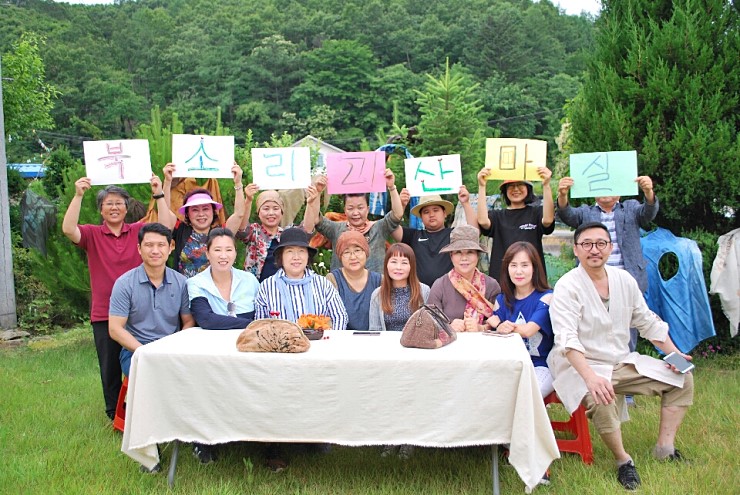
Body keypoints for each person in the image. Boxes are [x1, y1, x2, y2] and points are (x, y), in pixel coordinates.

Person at [547, 222, 693, 491]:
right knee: (601, 396)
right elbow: (567, 340)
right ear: (576, 249)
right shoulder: (567, 286)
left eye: (601, 243)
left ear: (610, 247)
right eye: (587, 244)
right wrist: (591, 378)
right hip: (579, 365)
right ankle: (623, 461)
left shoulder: (624, 280)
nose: (594, 249)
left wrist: (675, 355)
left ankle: (665, 448)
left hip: (620, 361)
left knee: (683, 377)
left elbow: (647, 322)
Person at [62, 174, 169, 421]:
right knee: (109, 366)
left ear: (126, 207)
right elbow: (68, 229)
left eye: (119, 203)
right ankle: (114, 412)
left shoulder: (138, 231)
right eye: (108, 203)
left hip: (140, 312)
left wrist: (158, 192)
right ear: (101, 209)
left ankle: (148, 408)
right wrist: (78, 195)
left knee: (144, 360)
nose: (114, 207)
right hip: (104, 312)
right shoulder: (92, 234)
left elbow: (165, 227)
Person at [108, 222, 195, 471]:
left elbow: (188, 322)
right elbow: (115, 329)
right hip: (136, 351)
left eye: (160, 245)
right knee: (146, 380)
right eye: (149, 245)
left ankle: (195, 436)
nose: (155, 250)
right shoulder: (125, 283)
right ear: (139, 248)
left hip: (171, 349)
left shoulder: (181, 282)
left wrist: (174, 347)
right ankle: (148, 449)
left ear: (171, 247)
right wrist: (144, 352)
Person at [556, 175, 659, 353]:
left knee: (628, 327)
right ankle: (593, 360)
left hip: (627, 279)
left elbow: (648, 212)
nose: (605, 191)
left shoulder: (630, 208)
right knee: (591, 325)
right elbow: (567, 214)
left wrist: (648, 192)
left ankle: (626, 360)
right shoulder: (586, 212)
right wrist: (563, 195)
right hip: (592, 281)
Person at [303, 170, 404, 273]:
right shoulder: (336, 229)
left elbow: (397, 215)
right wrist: (318, 193)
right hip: (341, 283)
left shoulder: (379, 228)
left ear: (368, 209)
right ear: (345, 210)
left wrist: (392, 187)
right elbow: (316, 219)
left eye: (360, 208)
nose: (355, 213)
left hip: (376, 283)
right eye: (350, 208)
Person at [488, 241, 555, 398]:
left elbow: (528, 330)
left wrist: (500, 325)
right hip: (509, 365)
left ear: (534, 268)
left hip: (540, 366)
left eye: (525, 265)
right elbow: (492, 332)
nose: (519, 271)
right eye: (513, 265)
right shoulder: (501, 300)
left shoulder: (546, 297)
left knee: (526, 397)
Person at [157, 162, 246, 277]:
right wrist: (167, 182)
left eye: (205, 209)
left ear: (213, 211)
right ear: (187, 213)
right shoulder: (181, 230)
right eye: (195, 210)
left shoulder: (220, 233)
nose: (201, 214)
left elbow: (239, 214)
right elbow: (164, 211)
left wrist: (238, 183)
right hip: (184, 287)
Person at [467, 166, 555, 281]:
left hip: (532, 279)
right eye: (511, 186)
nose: (516, 189)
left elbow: (548, 220)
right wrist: (482, 186)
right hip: (502, 279)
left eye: (520, 185)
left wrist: (546, 185)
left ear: (528, 188)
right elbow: (483, 221)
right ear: (505, 191)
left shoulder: (536, 213)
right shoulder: (497, 216)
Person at [254, 227, 348, 329]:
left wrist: (332, 337)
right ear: (281, 256)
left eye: (301, 251)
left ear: (308, 256)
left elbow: (340, 316)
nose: (296, 257)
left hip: (318, 339)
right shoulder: (267, 287)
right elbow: (260, 324)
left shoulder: (323, 284)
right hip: (280, 339)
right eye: (290, 251)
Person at [427, 225, 501, 332]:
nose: (464, 258)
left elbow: (500, 322)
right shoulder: (440, 285)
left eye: (470, 252)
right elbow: (430, 322)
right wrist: (449, 326)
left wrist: (481, 328)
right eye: (458, 252)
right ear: (451, 256)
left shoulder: (492, 285)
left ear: (478, 256)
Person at [187, 228, 260, 330]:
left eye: (229, 250)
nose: (223, 256)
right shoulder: (196, 283)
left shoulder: (250, 280)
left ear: (235, 253)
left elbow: (262, 315)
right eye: (217, 250)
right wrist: (253, 324)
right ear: (207, 254)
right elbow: (206, 319)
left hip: (249, 338)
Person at [391, 192, 458, 287]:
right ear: (421, 217)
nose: (431, 214)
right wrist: (401, 205)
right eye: (426, 212)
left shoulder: (454, 234)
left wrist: (466, 203)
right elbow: (391, 227)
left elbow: (474, 232)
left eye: (436, 210)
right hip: (419, 292)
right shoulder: (414, 235)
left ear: (444, 213)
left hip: (449, 291)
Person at [368, 243, 430, 332]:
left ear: (411, 266)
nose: (398, 267)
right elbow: (374, 330)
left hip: (415, 340)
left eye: (404, 263)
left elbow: (428, 327)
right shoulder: (377, 294)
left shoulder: (424, 291)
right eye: (394, 262)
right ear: (386, 265)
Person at [326, 231, 381, 331]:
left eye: (357, 250)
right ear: (340, 257)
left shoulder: (379, 280)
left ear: (366, 253)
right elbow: (327, 317)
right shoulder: (332, 279)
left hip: (374, 337)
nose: (353, 257)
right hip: (341, 337)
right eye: (346, 252)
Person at [237, 186, 292, 281]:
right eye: (266, 209)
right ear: (258, 212)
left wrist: (312, 201)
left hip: (283, 285)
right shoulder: (254, 231)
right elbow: (242, 228)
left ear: (282, 212)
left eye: (275, 208)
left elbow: (307, 230)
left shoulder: (287, 234)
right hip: (256, 286)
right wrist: (248, 200)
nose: (271, 213)